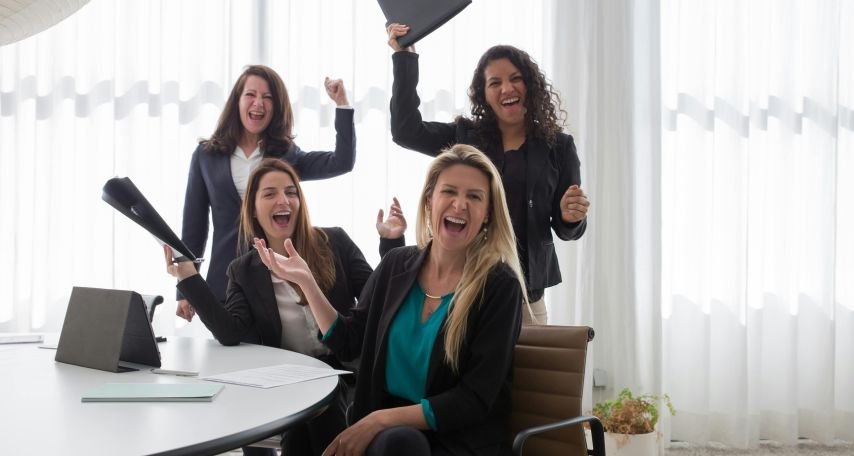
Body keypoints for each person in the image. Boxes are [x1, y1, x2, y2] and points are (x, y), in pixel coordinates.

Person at [256, 145, 527, 455]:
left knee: (399, 442)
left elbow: (474, 399)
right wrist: (307, 281)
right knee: (307, 425)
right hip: (387, 431)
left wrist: (380, 420)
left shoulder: (499, 286)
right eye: (449, 191)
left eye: (474, 197)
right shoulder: (397, 264)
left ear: (488, 212)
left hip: (453, 437)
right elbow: (349, 343)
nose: (459, 204)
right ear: (430, 199)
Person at [165, 159, 399, 456]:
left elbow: (379, 300)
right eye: (270, 193)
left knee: (322, 415)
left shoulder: (335, 242)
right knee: (298, 430)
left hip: (342, 371)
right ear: (253, 208)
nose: (283, 200)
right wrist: (188, 277)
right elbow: (230, 332)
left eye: (291, 192)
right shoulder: (243, 270)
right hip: (288, 379)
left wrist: (391, 243)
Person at [386, 24, 591, 324]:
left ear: (530, 86)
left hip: (525, 297)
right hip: (463, 288)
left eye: (515, 79)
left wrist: (571, 217)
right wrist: (405, 57)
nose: (507, 89)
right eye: (495, 82)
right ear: (484, 94)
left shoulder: (559, 147)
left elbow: (567, 228)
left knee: (531, 358)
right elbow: (406, 131)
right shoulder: (465, 137)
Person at [178, 64, 356, 322]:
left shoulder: (287, 155)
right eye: (250, 94)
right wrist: (185, 289)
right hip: (223, 281)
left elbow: (342, 162)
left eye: (268, 97)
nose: (258, 103)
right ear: (237, 101)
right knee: (229, 344)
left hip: (276, 282)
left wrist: (342, 104)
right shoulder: (206, 156)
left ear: (277, 107)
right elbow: (193, 227)